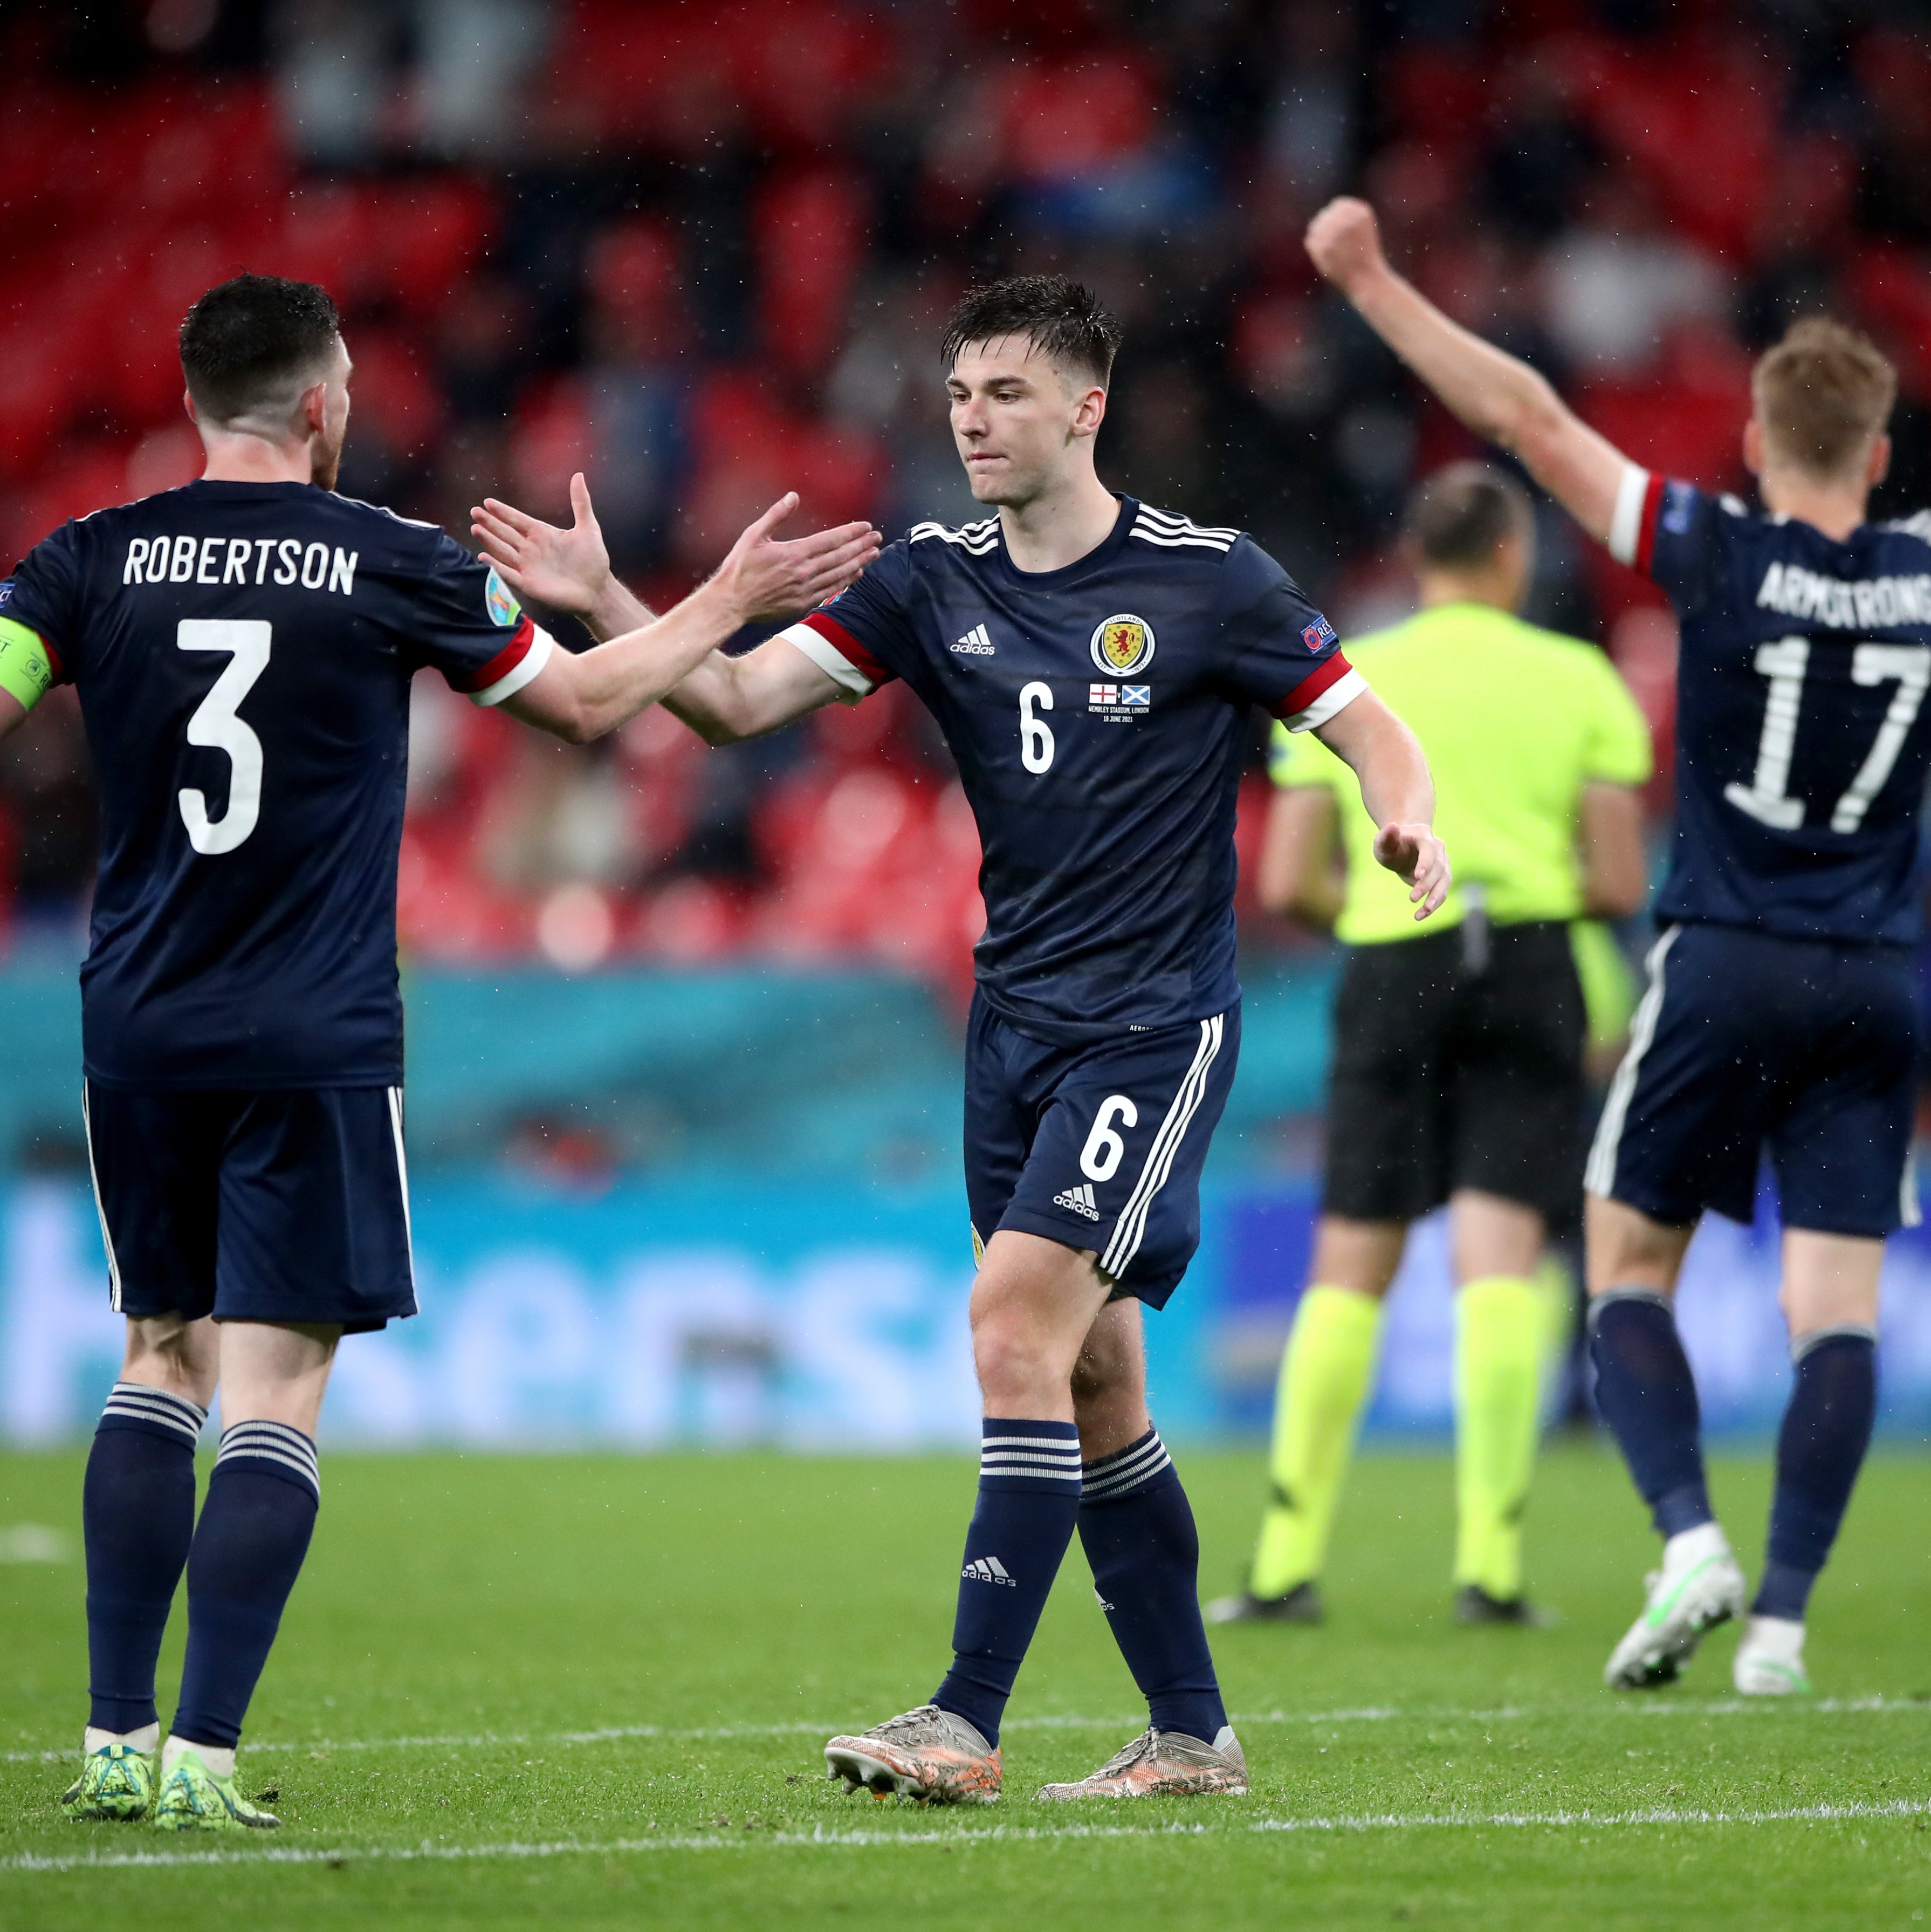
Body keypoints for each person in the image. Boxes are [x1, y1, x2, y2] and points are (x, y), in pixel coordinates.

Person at [0, 273, 878, 1829]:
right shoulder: (390, 560)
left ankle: (108, 1734)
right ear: (321, 406)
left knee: (154, 1353)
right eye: (347, 383)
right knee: (275, 1396)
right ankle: (206, 1755)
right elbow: (580, 707)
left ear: (190, 405)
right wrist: (714, 604)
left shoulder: (84, 562)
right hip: (310, 1028)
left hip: (141, 1024)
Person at [472, 275, 1450, 1804]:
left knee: (1010, 1322)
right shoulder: (930, 579)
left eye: (1002, 392)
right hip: (1011, 1030)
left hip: (1150, 1026)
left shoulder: (1212, 581)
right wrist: (613, 603)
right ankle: (1191, 1734)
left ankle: (963, 1716)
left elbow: (1366, 720)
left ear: (1086, 406)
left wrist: (1404, 808)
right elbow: (727, 704)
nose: (970, 420)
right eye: (956, 395)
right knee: (1097, 1376)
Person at [1304, 192, 1931, 1697]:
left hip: (1722, 950)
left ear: (1756, 443)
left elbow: (1522, 414)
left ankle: (1684, 1537)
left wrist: (1374, 282)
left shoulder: (1707, 543)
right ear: (1878, 451)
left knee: (1620, 1264)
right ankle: (1778, 1618)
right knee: (1830, 1308)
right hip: (1869, 973)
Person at [1208, 460, 1650, 1632]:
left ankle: (1283, 1563)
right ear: (1511, 556)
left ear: (1416, 561)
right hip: (1533, 960)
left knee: (1352, 1258)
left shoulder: (1358, 670)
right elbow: (1615, 878)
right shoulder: (1579, 678)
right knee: (1500, 1257)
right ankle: (1491, 1570)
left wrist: (1367, 916)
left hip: (1390, 963)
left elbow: (1290, 873)